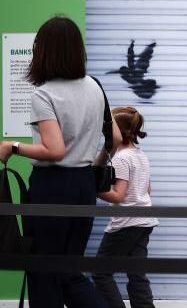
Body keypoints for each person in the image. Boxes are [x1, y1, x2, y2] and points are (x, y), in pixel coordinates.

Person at [0, 16, 115, 308]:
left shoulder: (44, 94)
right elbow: (112, 136)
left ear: (46, 51)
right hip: (84, 187)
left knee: (43, 269)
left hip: (52, 187)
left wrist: (12, 147)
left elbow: (55, 150)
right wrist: (93, 166)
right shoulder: (95, 86)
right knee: (69, 271)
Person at [94, 106, 159, 308]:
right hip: (145, 221)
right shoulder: (139, 155)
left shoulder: (121, 159)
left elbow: (118, 196)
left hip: (126, 224)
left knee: (100, 272)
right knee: (137, 273)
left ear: (116, 132)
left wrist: (93, 189)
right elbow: (148, 190)